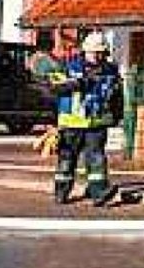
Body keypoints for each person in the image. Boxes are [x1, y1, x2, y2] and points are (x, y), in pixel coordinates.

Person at [47, 31, 123, 206]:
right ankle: (62, 191)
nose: (97, 56)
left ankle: (99, 192)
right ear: (85, 51)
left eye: (101, 53)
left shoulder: (111, 70)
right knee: (67, 159)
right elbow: (54, 87)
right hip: (71, 124)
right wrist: (77, 83)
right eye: (93, 52)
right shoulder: (69, 66)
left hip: (97, 124)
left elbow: (117, 95)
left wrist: (117, 115)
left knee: (96, 160)